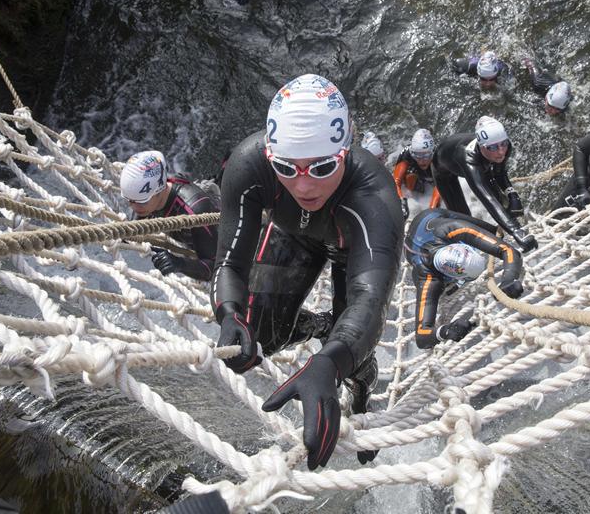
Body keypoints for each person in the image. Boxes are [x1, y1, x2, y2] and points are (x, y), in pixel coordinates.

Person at [211, 74, 404, 470]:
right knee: (259, 337)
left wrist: (329, 363)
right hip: (295, 234)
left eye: (320, 168)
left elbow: (371, 299)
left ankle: (363, 391)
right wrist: (228, 312)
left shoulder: (376, 195)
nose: (303, 185)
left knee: (352, 351)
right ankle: (320, 326)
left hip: (351, 246)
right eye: (286, 167)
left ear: (345, 151)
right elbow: (230, 263)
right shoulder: (249, 164)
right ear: (269, 157)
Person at [404, 208, 524, 349]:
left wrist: (508, 279)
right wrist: (446, 331)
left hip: (432, 216)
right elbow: (422, 337)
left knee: (494, 231)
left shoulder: (453, 228)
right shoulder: (427, 278)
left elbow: (508, 251)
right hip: (418, 238)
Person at [432, 116, 537, 253]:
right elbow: (487, 199)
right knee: (465, 219)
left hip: (482, 161)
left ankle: (501, 230)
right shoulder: (469, 159)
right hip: (444, 172)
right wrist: (516, 230)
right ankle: (464, 251)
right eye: (493, 147)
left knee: (507, 203)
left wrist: (513, 195)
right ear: (481, 146)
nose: (500, 152)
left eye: (503, 144)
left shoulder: (504, 146)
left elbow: (499, 174)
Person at [120, 151, 220, 282]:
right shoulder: (145, 200)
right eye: (129, 200)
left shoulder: (195, 212)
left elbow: (216, 269)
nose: (134, 207)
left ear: (159, 189)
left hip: (222, 229)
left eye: (142, 201)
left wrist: (179, 264)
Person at [392, 128, 442, 219]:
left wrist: (431, 210)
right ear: (412, 153)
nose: (422, 161)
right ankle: (410, 195)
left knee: (439, 199)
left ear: (432, 152)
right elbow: (396, 182)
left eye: (426, 156)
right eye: (418, 156)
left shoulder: (439, 156)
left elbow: (440, 185)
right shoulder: (407, 154)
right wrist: (402, 202)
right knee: (410, 175)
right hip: (418, 177)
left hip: (436, 178)